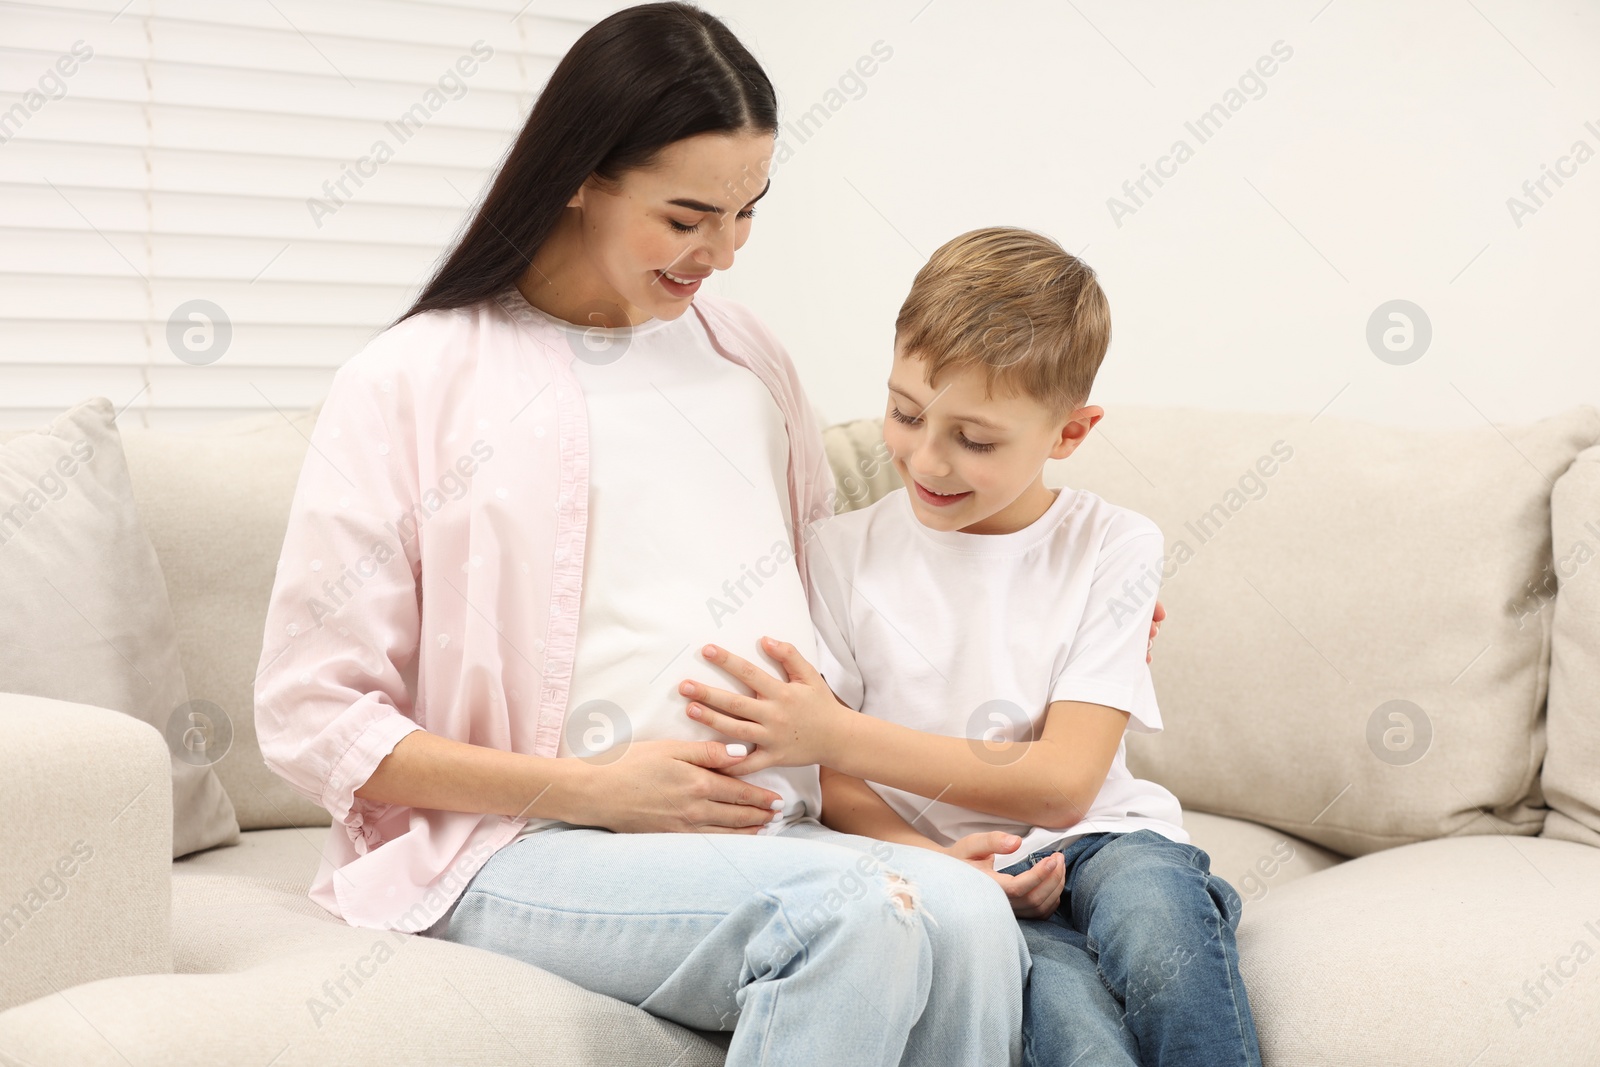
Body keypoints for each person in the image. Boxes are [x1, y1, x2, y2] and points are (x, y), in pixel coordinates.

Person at [252, 6, 1176, 1065]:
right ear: (579, 175)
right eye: (688, 215)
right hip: (522, 843)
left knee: (969, 919)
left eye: (747, 213)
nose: (723, 253)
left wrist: (1067, 595)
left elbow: (832, 618)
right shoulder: (412, 379)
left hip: (772, 835)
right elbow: (311, 714)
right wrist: (594, 790)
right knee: (855, 913)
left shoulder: (744, 357)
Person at [676, 228, 1260, 1066]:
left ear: (1069, 433)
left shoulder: (1114, 545)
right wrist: (942, 862)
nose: (926, 456)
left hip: (1105, 840)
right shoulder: (838, 554)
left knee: (1161, 932)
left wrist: (833, 730)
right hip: (954, 868)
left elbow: (1063, 786)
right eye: (906, 412)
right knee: (1076, 1034)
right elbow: (839, 791)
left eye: (975, 439)